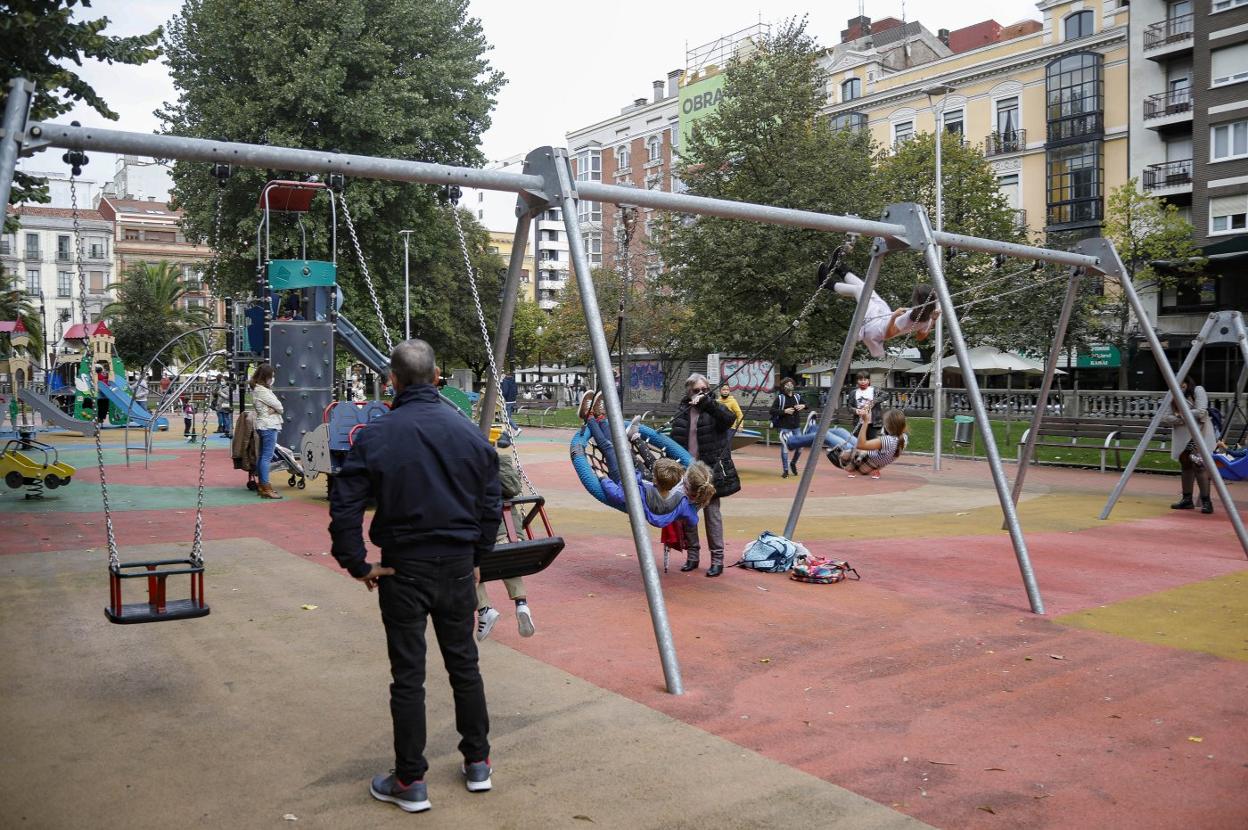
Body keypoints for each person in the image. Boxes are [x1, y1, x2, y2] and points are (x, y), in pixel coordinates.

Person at [329, 338, 499, 813]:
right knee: (464, 664)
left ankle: (410, 780)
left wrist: (356, 561)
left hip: (403, 566)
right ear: (438, 375)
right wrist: (478, 553)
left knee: (408, 675)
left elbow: (345, 502)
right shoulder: (467, 432)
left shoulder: (378, 435)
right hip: (458, 566)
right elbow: (491, 500)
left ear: (394, 381)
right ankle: (478, 761)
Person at [670, 373, 740, 577]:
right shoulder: (683, 410)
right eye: (696, 391)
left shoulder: (714, 409)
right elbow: (676, 438)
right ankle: (693, 556)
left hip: (710, 471)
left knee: (712, 515)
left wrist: (708, 402)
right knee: (688, 515)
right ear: (688, 392)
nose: (701, 394)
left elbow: (729, 419)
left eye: (705, 390)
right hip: (689, 470)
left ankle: (717, 559)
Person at [476, 434, 534, 641]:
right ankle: (521, 604)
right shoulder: (504, 462)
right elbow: (514, 488)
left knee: (462, 564)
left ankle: (484, 610)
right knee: (507, 558)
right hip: (511, 534)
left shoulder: (465, 467)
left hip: (481, 540)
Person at [835, 273, 940, 358]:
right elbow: (921, 336)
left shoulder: (907, 317)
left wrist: (894, 317)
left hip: (874, 328)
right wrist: (934, 320)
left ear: (917, 300)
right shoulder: (926, 317)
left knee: (860, 291)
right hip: (882, 319)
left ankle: (829, 283)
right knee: (869, 291)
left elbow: (889, 334)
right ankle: (842, 270)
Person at [797, 407, 909, 480]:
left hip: (859, 459)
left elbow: (861, 445)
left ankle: (810, 431)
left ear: (889, 426)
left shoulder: (887, 441)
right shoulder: (903, 438)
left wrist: (865, 422)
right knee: (841, 431)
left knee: (827, 436)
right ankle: (812, 429)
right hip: (868, 455)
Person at [1161, 373, 1216, 514]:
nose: (1180, 387)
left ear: (1187, 382)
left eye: (1182, 384)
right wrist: (1182, 419)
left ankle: (1206, 501)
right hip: (1182, 435)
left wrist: (1180, 415)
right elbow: (1166, 417)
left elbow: (1201, 411)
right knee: (1185, 465)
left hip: (1199, 434)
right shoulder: (1171, 395)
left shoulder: (1198, 390)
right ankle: (1187, 499)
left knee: (1199, 465)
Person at [249, 363, 285, 500]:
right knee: (266, 457)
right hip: (269, 425)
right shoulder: (263, 391)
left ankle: (262, 485)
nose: (273, 378)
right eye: (272, 376)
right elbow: (280, 407)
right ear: (266, 377)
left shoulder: (258, 390)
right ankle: (265, 486)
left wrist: (273, 409)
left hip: (263, 425)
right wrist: (275, 410)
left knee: (262, 456)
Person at [770, 377, 807, 478]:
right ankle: (785, 470)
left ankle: (793, 463)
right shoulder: (780, 398)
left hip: (796, 426)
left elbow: (807, 405)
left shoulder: (797, 397)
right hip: (784, 426)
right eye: (787, 384)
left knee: (800, 447)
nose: (789, 386)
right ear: (783, 387)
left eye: (791, 384)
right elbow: (772, 410)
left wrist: (803, 406)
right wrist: (784, 411)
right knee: (785, 447)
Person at [849, 371, 882, 439]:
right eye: (860, 380)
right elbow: (849, 407)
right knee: (856, 441)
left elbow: (886, 395)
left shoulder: (874, 390)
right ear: (857, 381)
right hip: (859, 422)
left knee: (871, 441)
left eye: (865, 380)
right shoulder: (853, 393)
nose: (863, 382)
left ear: (869, 381)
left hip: (872, 422)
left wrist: (874, 401)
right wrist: (856, 411)